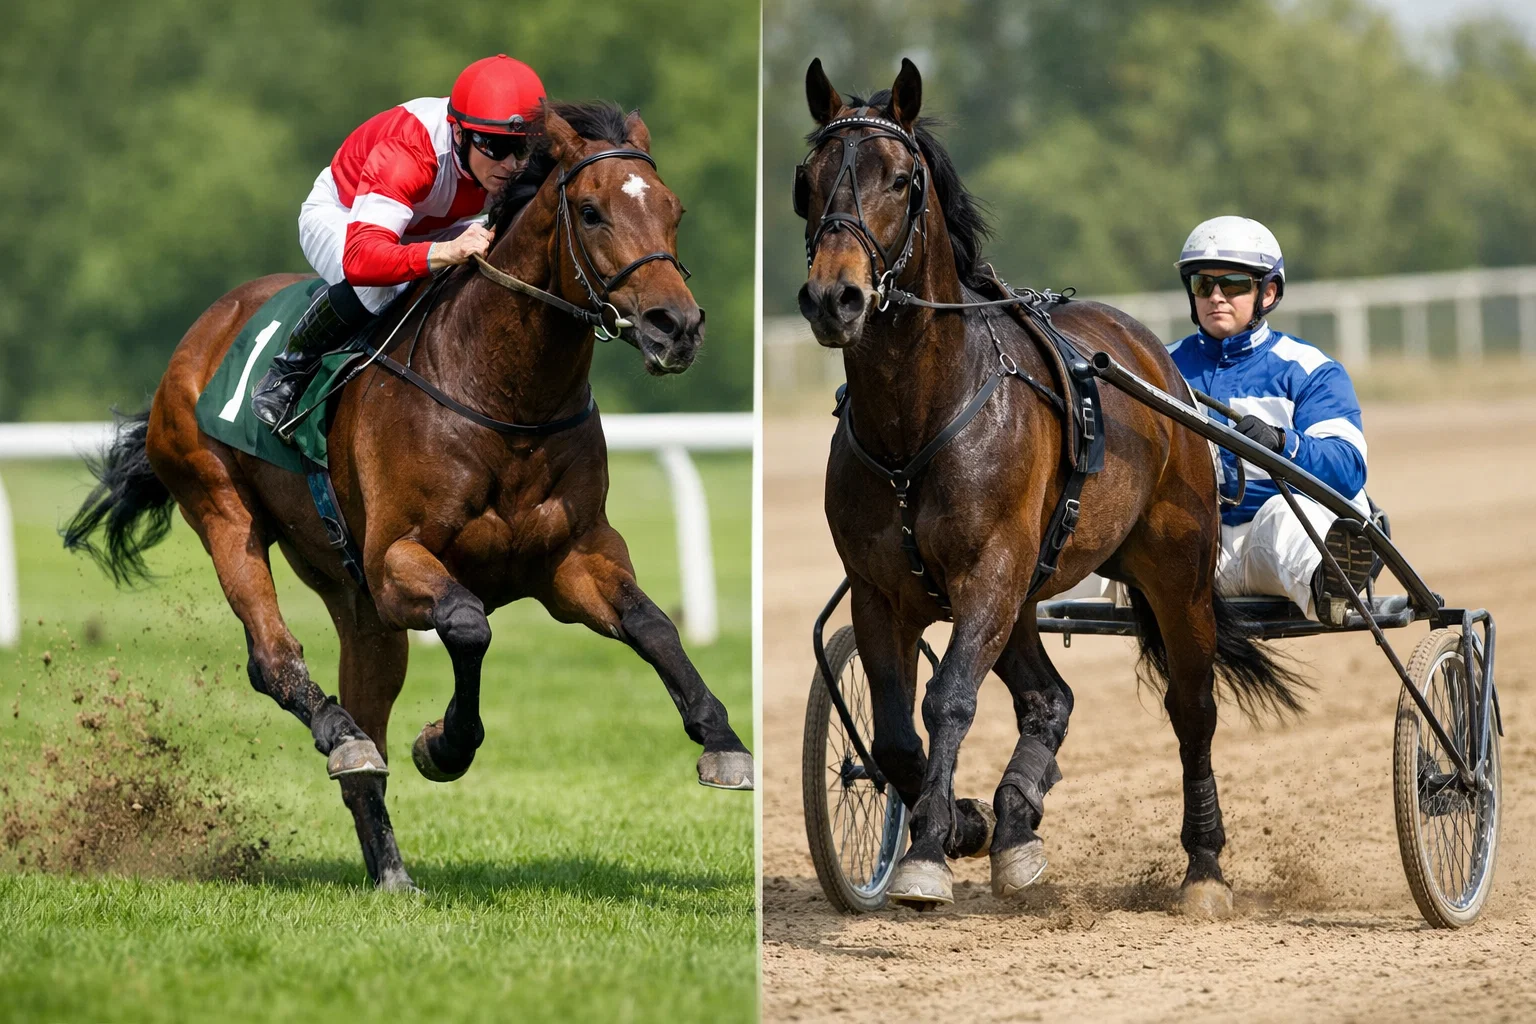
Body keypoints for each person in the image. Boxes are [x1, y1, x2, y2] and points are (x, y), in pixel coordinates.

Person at [250, 54, 547, 435]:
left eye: (522, 147)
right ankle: (289, 370)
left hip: (432, 223)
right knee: (381, 284)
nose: (510, 164)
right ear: (459, 133)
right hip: (346, 215)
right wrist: (443, 252)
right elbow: (362, 260)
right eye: (493, 146)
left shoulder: (509, 159)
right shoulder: (410, 150)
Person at [1169, 215, 1374, 623]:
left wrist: (1283, 444)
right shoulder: (1158, 368)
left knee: (1283, 517)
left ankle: (1331, 584)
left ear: (1268, 292)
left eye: (1234, 284)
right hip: (1189, 551)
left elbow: (1348, 465)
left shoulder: (1310, 370)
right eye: (1202, 284)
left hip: (1268, 547)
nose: (1215, 296)